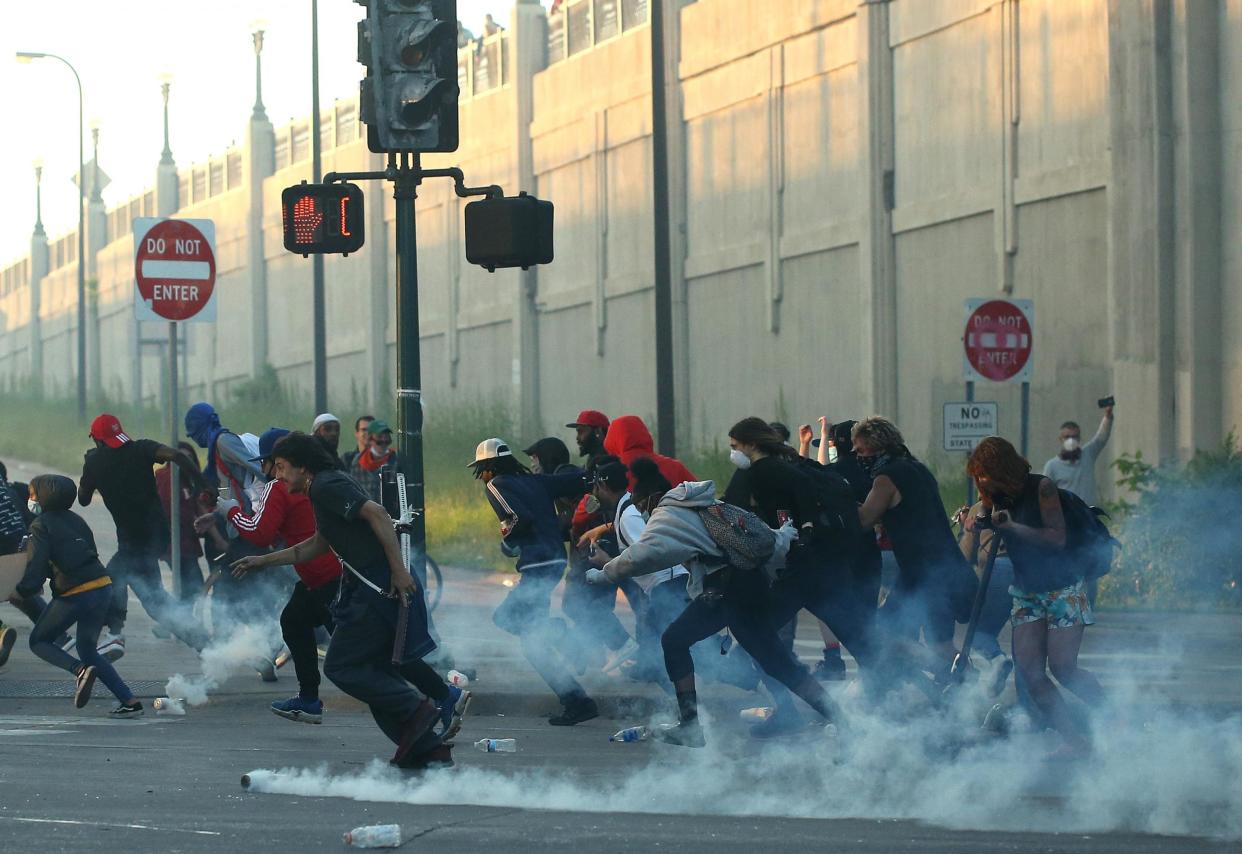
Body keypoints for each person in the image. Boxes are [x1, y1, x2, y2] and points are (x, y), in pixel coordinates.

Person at [230, 433, 466, 769]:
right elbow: (313, 545)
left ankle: (417, 710)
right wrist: (260, 561)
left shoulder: (326, 485)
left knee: (341, 666)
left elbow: (379, 515)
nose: (277, 476)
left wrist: (398, 571)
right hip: (366, 585)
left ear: (302, 467)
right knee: (372, 669)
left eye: (282, 468)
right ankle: (428, 748)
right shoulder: (319, 490)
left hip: (377, 585)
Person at [589, 475, 841, 748]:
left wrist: (605, 574)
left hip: (728, 592)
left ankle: (690, 726)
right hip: (744, 587)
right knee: (771, 663)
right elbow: (763, 539)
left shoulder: (668, 513)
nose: (643, 514)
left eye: (641, 507)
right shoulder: (709, 505)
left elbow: (644, 554)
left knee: (683, 642)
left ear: (649, 498)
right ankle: (844, 722)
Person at [725, 417, 879, 730]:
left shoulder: (755, 474)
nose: (733, 453)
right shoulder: (793, 464)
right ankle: (927, 703)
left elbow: (730, 516)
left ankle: (800, 713)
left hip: (800, 572)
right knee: (864, 643)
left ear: (751, 444)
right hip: (825, 567)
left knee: (759, 639)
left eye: (734, 446)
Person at [967, 436, 1104, 757]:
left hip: (1063, 589)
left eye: (983, 476)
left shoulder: (1042, 487)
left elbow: (1057, 538)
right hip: (1027, 592)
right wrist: (973, 517)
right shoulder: (994, 497)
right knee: (1029, 673)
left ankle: (1116, 719)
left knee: (1063, 668)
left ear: (1000, 469)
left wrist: (1013, 528)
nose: (981, 484)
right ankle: (1074, 740)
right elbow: (982, 514)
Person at [208, 428, 345, 724]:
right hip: (327, 572)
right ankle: (309, 698)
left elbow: (261, 533)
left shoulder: (279, 489)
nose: (270, 472)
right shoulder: (319, 483)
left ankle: (425, 698)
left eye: (275, 465)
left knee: (353, 651)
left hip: (322, 575)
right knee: (299, 622)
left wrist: (230, 511)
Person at [472, 437, 598, 725]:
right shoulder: (535, 481)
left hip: (537, 564)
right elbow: (579, 480)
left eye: (482, 470)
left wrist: (508, 539)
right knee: (532, 645)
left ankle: (562, 635)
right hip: (554, 559)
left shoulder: (496, 485)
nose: (483, 477)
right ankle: (577, 702)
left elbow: (518, 518)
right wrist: (602, 472)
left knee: (505, 617)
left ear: (487, 467)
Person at [854, 416, 976, 680]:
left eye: (861, 449)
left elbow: (864, 519)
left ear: (877, 446)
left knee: (886, 631)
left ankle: (966, 677)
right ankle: (964, 686)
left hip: (922, 572)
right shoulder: (916, 468)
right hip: (943, 565)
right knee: (940, 641)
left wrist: (837, 500)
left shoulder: (886, 479)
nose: (856, 455)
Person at [80, 414, 210, 658]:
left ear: (97, 440)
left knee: (112, 579)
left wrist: (90, 467)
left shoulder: (95, 462)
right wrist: (203, 484)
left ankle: (115, 635)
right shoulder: (140, 448)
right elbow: (178, 456)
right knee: (155, 603)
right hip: (156, 535)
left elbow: (83, 499)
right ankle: (204, 644)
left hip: (135, 542)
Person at [16, 475, 143, 717]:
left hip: (76, 592)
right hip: (102, 586)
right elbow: (86, 552)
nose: (30, 499)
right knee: (88, 648)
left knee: (39, 641)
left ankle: (79, 670)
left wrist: (23, 589)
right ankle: (130, 701)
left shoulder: (40, 525)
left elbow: (36, 565)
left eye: (33, 494)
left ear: (45, 496)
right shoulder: (77, 520)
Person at [580, 456, 691, 687]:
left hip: (668, 587)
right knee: (661, 655)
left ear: (603, 486)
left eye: (595, 487)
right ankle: (681, 709)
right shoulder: (627, 510)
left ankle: (691, 709)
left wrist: (607, 562)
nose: (594, 493)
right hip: (664, 588)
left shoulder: (629, 515)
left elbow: (648, 553)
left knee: (667, 654)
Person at [155, 441, 208, 601]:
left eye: (190, 458)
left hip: (185, 543)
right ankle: (178, 623)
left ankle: (181, 622)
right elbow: (168, 509)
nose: (186, 462)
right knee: (191, 586)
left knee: (192, 586)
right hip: (174, 543)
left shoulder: (187, 480)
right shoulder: (166, 477)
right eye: (182, 458)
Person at [1042, 404, 1114, 507]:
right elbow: (1045, 494)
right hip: (1067, 517)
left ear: (1079, 438)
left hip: (1089, 514)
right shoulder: (1052, 466)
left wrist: (1108, 415)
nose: (1071, 440)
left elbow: (1102, 437)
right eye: (1067, 437)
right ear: (1060, 439)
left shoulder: (1087, 455)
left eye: (1074, 436)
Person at [347, 419, 397, 504]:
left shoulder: (396, 461)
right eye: (379, 437)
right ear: (370, 438)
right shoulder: (357, 462)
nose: (384, 441)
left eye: (387, 437)